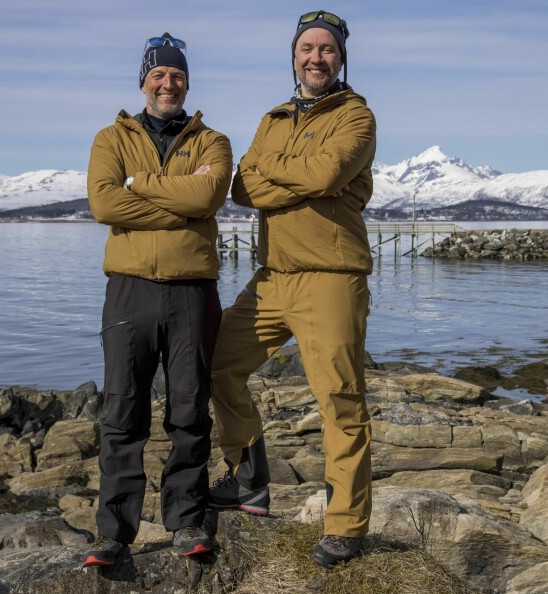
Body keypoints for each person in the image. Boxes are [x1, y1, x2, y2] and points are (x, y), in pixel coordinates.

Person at [208, 10, 376, 568]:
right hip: (273, 277)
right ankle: (249, 482)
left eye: (327, 49)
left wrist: (278, 175)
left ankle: (346, 526)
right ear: (294, 55)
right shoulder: (273, 117)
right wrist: (298, 178)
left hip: (332, 278)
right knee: (218, 363)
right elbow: (241, 187)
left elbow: (327, 175)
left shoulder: (358, 117)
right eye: (307, 48)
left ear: (341, 57)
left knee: (339, 402)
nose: (316, 58)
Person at [83, 32, 232, 567]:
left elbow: (209, 195)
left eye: (177, 76)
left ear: (186, 82)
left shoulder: (212, 141)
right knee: (122, 411)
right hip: (128, 290)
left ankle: (187, 520)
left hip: (193, 291)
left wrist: (139, 185)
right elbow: (104, 203)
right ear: (143, 81)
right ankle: (113, 534)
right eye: (159, 76)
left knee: (190, 409)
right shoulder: (110, 137)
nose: (168, 84)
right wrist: (181, 209)